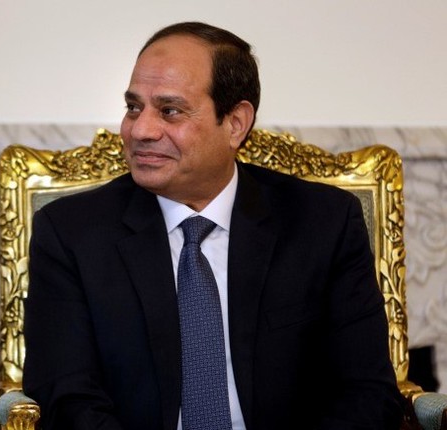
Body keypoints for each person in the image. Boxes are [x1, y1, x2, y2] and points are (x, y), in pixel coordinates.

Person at [22, 21, 404, 430]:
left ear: (236, 123)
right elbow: (67, 397)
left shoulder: (322, 223)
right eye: (134, 107)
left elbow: (365, 391)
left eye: (170, 111)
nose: (140, 130)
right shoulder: (71, 233)